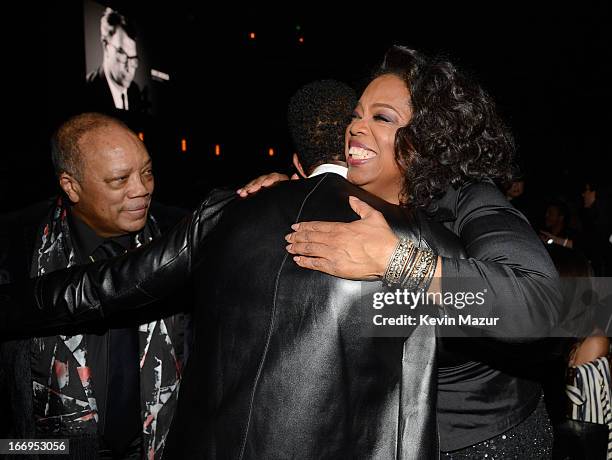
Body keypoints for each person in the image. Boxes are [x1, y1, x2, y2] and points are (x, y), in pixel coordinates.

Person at [1, 79, 467, 458]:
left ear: (297, 163)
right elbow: (509, 319)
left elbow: (103, 288)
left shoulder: (227, 212)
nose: (140, 189)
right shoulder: (429, 242)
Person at [250, 45, 562, 457]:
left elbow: (549, 306)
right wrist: (281, 197)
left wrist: (398, 261)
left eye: (381, 118)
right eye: (355, 115)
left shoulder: (469, 201)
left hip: (479, 443)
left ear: (429, 140)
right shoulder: (350, 201)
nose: (355, 128)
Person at [0, 113, 187, 459]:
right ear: (71, 186)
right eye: (119, 179)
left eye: (147, 172)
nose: (141, 188)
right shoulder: (14, 248)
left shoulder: (180, 235)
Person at [84, 8, 141, 113]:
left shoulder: (135, 92)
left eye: (133, 58)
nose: (129, 69)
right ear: (105, 45)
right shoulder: (86, 91)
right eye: (122, 53)